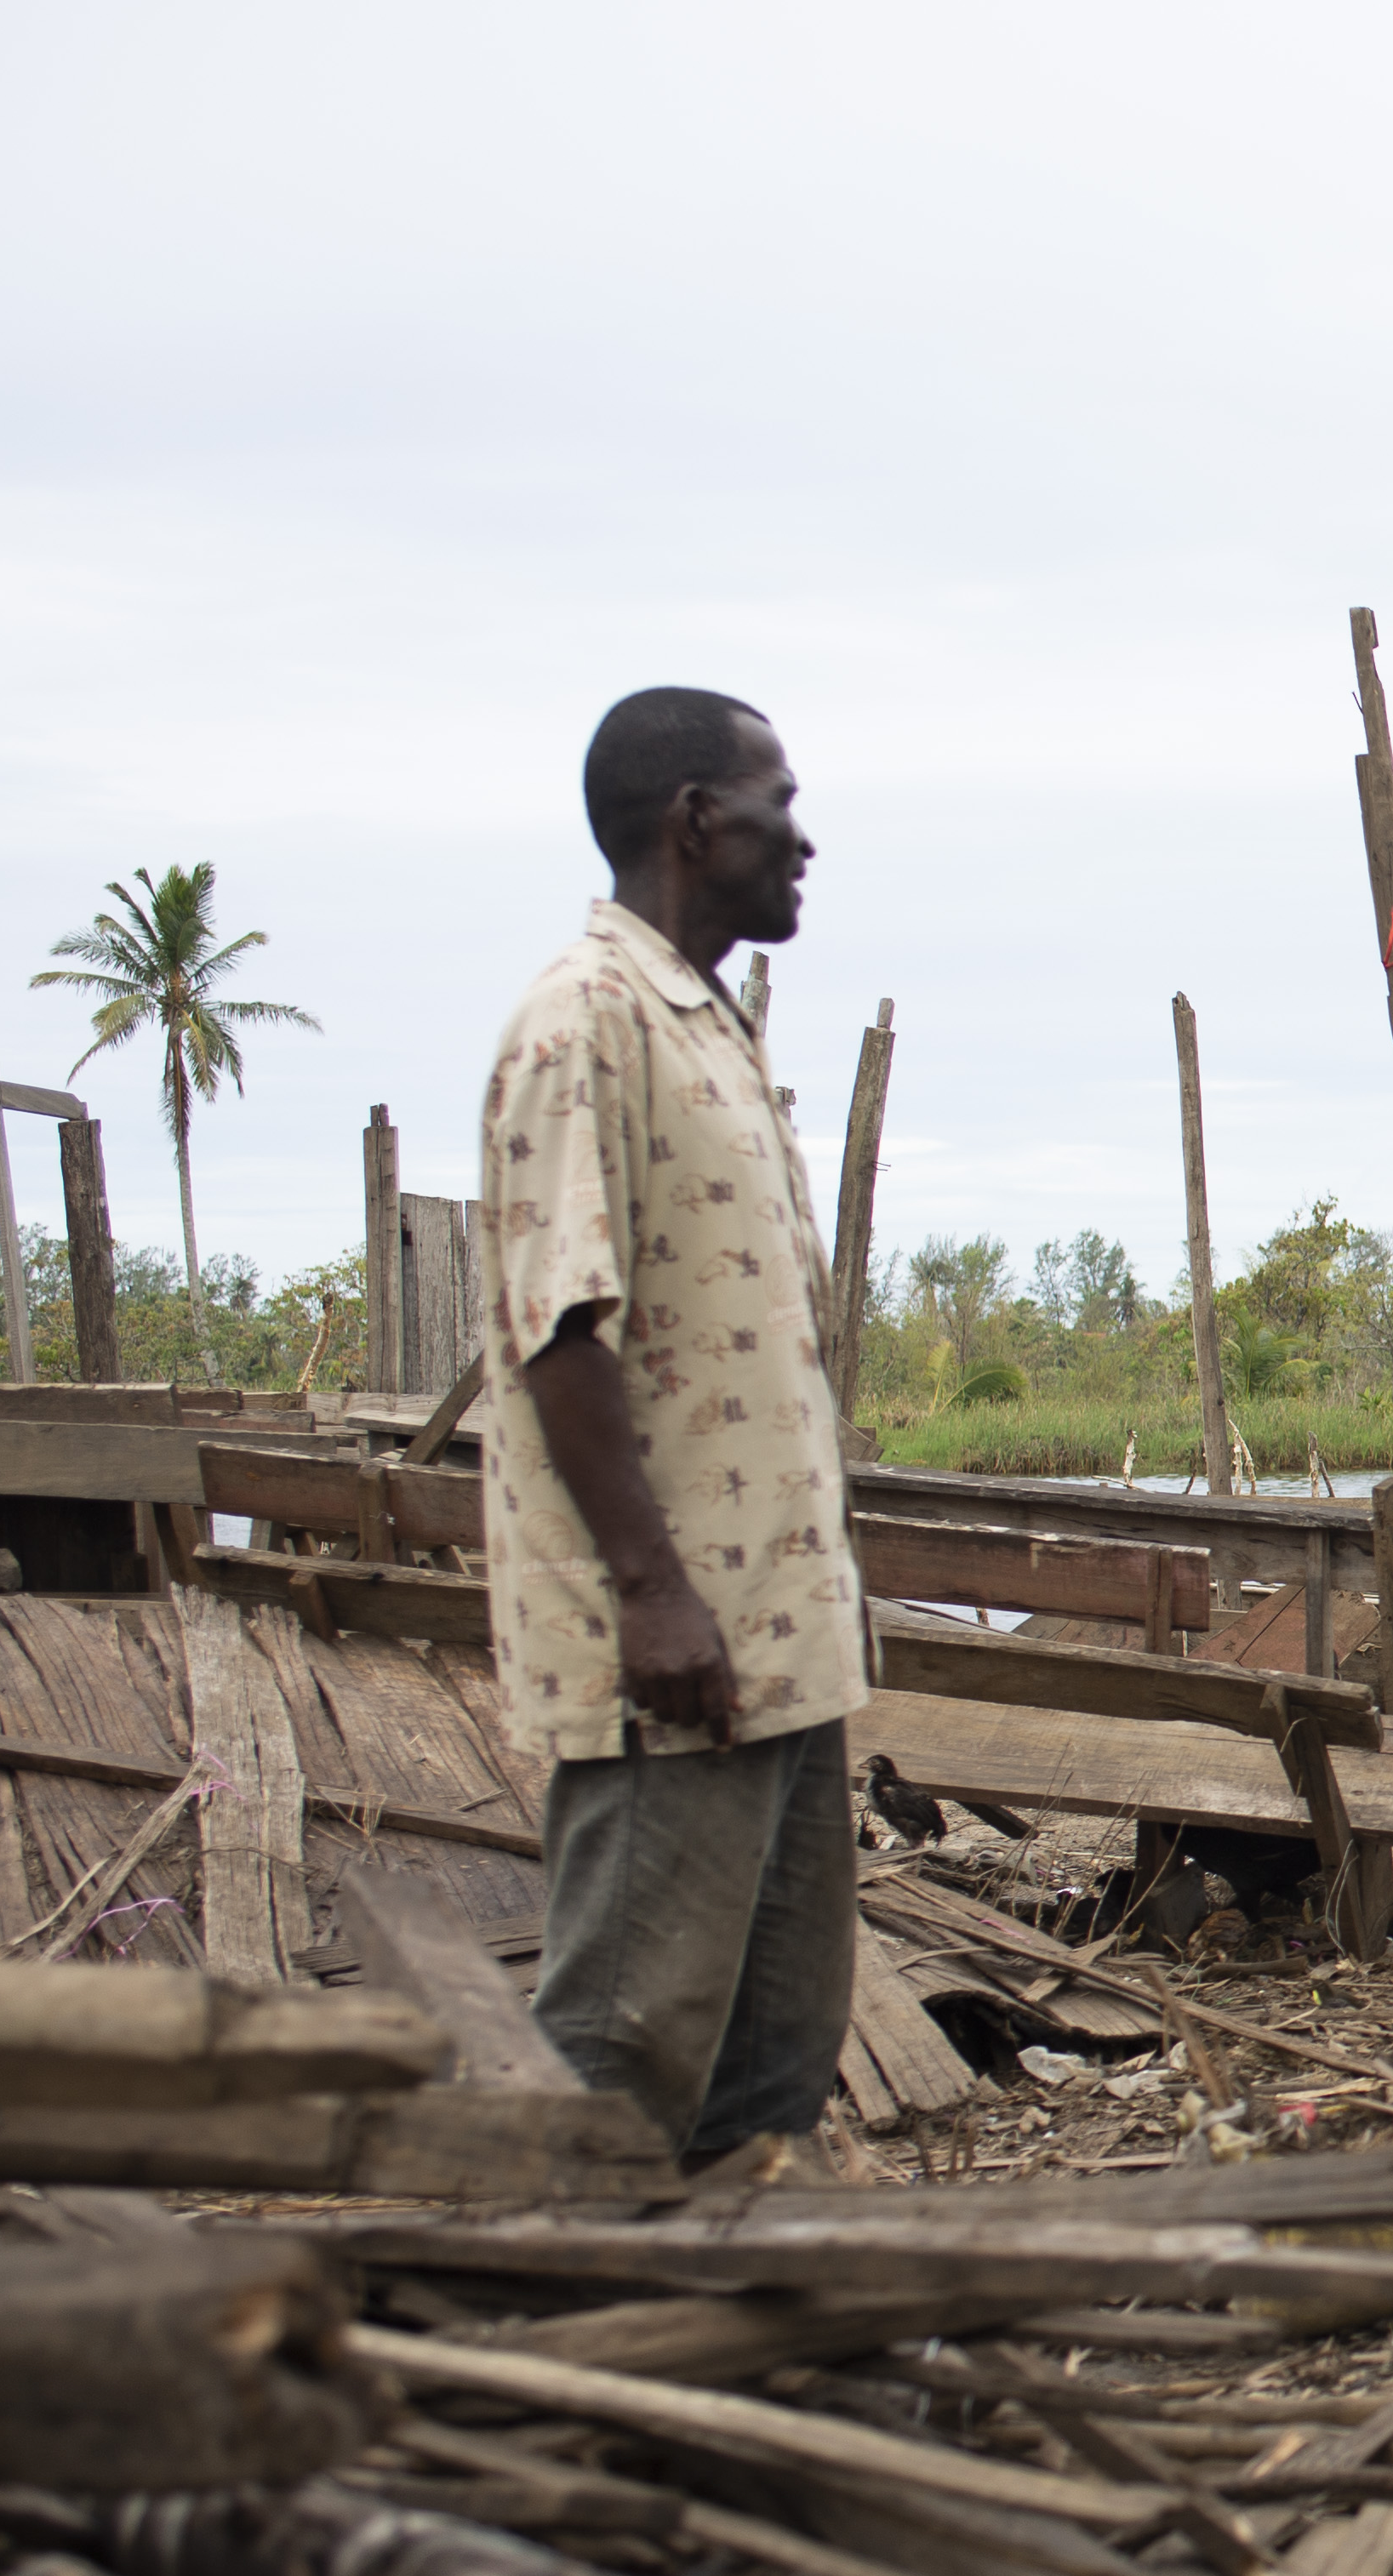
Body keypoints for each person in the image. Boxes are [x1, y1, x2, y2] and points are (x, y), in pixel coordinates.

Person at [472, 687, 867, 2163]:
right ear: (698, 822)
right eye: (779, 802)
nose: (803, 837)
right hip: (680, 1654)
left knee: (773, 2055)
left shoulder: (704, 1022)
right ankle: (556, 2359)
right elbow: (558, 1328)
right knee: (624, 2045)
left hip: (781, 1637)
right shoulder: (585, 1021)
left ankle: (732, 2345)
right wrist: (651, 1588)